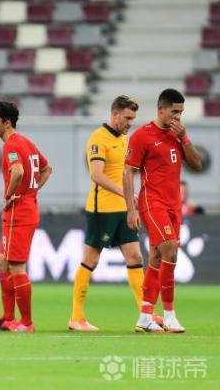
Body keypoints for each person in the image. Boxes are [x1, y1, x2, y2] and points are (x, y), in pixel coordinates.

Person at [123, 89, 203, 333]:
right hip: (151, 201)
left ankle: (146, 315)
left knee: (158, 255)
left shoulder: (178, 135)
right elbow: (128, 172)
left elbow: (197, 165)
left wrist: (185, 137)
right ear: (161, 109)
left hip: (173, 204)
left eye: (181, 112)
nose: (177, 117)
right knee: (170, 249)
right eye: (174, 111)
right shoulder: (142, 136)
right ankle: (169, 315)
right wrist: (130, 210)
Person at [69, 96, 147, 331]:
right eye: (127, 118)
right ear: (115, 115)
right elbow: (97, 175)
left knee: (135, 258)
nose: (130, 123)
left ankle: (146, 315)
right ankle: (76, 317)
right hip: (101, 209)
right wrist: (125, 193)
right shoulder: (98, 138)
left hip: (123, 210)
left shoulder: (125, 139)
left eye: (133, 118)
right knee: (91, 260)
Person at [0, 101, 52, 333]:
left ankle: (26, 323)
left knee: (16, 267)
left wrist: (10, 194)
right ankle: (8, 317)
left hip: (19, 214)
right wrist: (31, 191)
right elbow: (47, 169)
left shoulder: (12, 145)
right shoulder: (27, 142)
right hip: (25, 209)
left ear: (7, 123)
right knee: (2, 262)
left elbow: (19, 171)